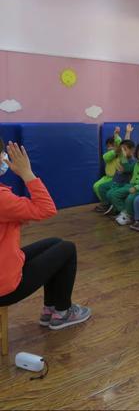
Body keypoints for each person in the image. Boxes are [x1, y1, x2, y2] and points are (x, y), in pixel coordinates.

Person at [0, 139, 91, 330]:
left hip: (5, 262)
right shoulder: (2, 198)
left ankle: (51, 309)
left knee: (55, 243)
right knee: (67, 248)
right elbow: (47, 209)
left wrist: (14, 219)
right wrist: (27, 173)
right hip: (4, 288)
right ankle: (63, 312)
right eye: (3, 154)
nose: (5, 158)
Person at [115, 142, 139, 226]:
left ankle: (129, 216)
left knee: (130, 198)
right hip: (132, 185)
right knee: (116, 193)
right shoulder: (136, 164)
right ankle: (125, 213)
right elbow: (127, 168)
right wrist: (122, 155)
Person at [97, 139, 136, 216]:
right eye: (122, 150)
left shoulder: (133, 161)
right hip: (115, 181)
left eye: (125, 149)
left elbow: (128, 168)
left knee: (110, 194)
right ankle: (108, 205)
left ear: (132, 150)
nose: (122, 152)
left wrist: (123, 159)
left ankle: (123, 212)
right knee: (102, 187)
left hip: (123, 183)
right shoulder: (121, 158)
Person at [93, 127, 121, 206]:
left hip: (116, 178)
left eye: (111, 146)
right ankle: (105, 203)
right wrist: (114, 150)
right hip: (107, 177)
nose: (109, 148)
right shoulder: (107, 155)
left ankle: (110, 204)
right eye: (108, 146)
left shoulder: (119, 154)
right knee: (96, 186)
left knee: (105, 188)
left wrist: (116, 135)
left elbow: (119, 145)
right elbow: (109, 155)